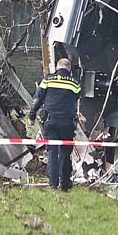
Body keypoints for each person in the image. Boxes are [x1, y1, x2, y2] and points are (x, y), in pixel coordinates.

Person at [29, 57, 81, 191]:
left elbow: (37, 98)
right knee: (65, 152)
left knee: (52, 152)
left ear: (57, 68)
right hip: (67, 123)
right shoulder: (75, 84)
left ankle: (53, 184)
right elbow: (76, 98)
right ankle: (65, 184)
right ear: (69, 70)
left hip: (50, 121)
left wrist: (32, 115)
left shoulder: (47, 80)